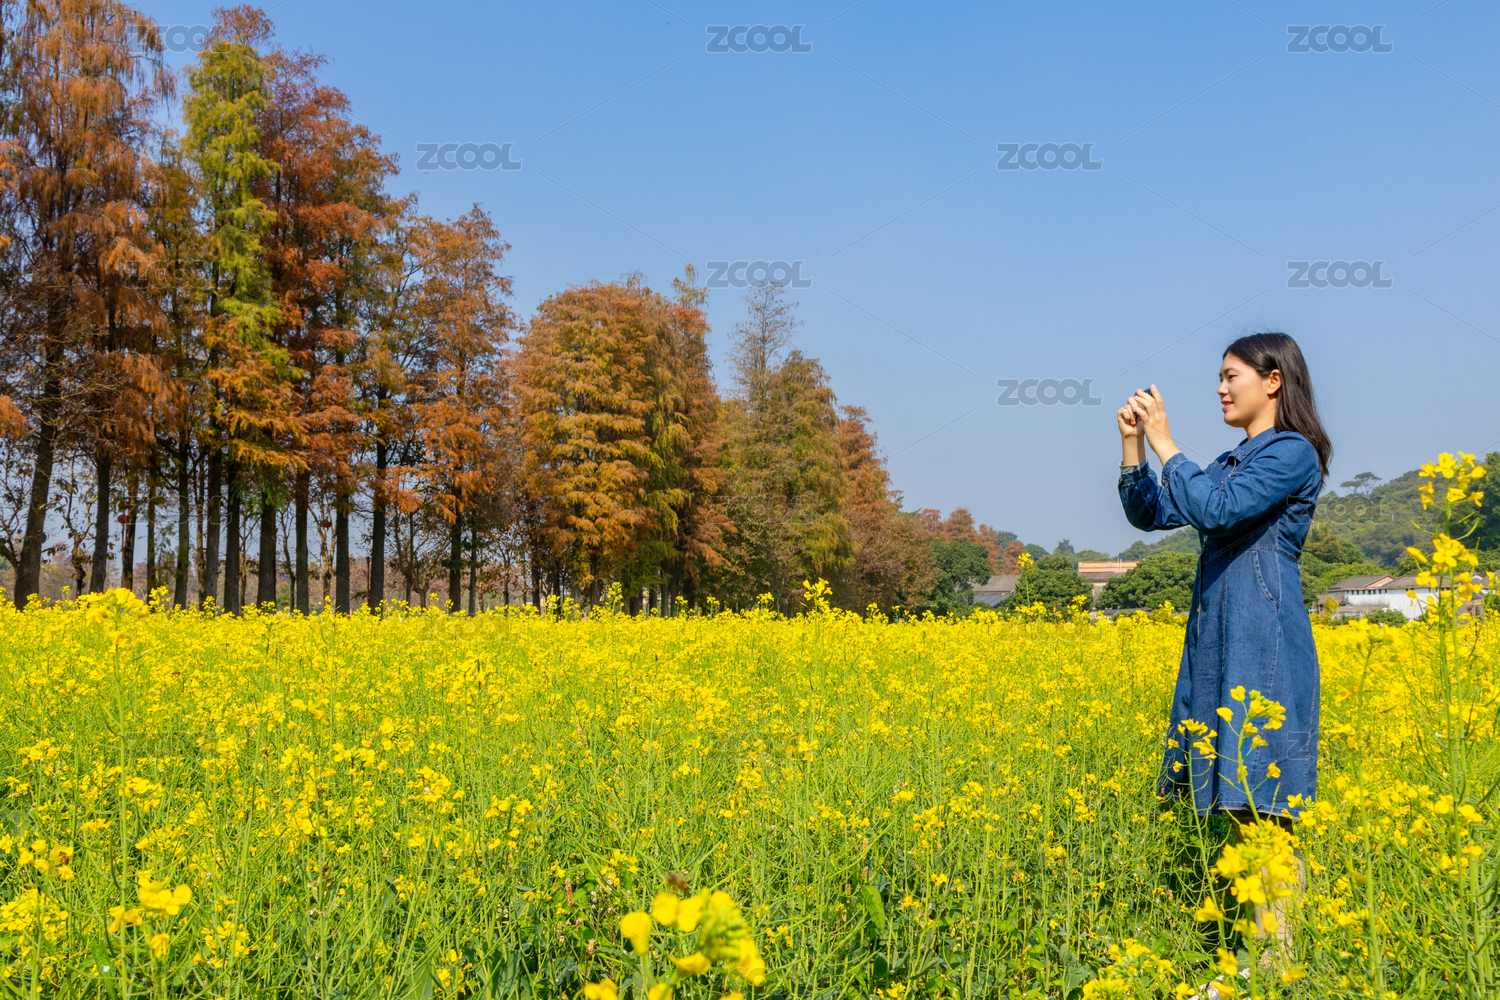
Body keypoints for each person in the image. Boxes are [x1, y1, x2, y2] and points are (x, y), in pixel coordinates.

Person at [1116, 332, 1329, 973]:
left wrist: (1166, 442)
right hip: (1219, 639)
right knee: (1240, 808)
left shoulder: (1291, 453)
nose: (1220, 389)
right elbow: (1151, 513)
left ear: (1273, 380)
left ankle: (1273, 964)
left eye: (1231, 376)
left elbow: (1216, 511)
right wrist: (1134, 446)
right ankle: (1260, 963)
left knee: (1265, 806)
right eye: (1219, 377)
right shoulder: (1233, 460)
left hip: (1264, 640)